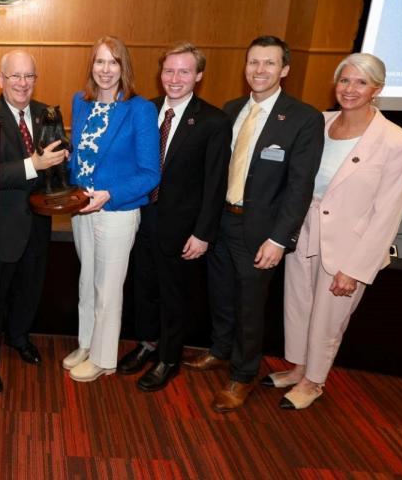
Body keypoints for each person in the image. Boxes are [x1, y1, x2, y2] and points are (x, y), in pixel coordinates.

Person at [268, 53, 402, 409]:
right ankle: (299, 368)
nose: (350, 89)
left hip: (350, 245)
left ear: (377, 89)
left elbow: (388, 214)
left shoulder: (400, 142)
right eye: (345, 80)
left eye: (361, 82)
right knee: (299, 306)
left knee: (328, 317)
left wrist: (355, 268)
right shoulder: (317, 122)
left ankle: (314, 382)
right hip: (304, 231)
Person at [184, 35, 324, 413]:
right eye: (253, 62)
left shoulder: (303, 119)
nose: (259, 70)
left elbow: (300, 187)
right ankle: (220, 350)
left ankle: (243, 376)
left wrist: (279, 239)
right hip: (222, 223)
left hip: (261, 232)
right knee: (221, 295)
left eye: (269, 63)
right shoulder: (230, 110)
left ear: (285, 70)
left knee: (249, 306)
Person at [120, 42, 232, 391]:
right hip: (140, 219)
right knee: (144, 289)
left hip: (183, 230)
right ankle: (148, 343)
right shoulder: (144, 110)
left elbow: (216, 183)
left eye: (184, 71)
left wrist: (203, 234)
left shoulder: (213, 120)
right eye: (169, 70)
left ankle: (169, 358)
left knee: (174, 296)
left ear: (198, 75)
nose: (175, 78)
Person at [0, 50, 68, 394]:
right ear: (0, 79)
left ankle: (19, 338)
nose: (23, 84)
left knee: (29, 289)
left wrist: (63, 161)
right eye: (15, 77)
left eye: (29, 77)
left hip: (38, 224)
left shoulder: (46, 114)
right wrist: (32, 165)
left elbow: (55, 166)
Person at [65, 36, 160, 382]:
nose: (106, 70)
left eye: (113, 62)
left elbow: (151, 173)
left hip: (116, 211)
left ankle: (105, 358)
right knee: (86, 281)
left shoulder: (140, 109)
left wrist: (109, 194)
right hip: (81, 208)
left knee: (108, 288)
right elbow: (81, 155)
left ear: (124, 67)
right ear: (91, 67)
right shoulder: (81, 101)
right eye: (99, 62)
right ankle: (87, 343)